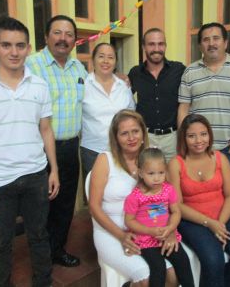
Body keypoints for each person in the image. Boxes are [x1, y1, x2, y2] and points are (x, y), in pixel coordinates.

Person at [0, 16, 59, 287]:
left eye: (20, 45)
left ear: (29, 48)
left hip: (36, 174)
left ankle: (44, 282)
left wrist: (54, 171)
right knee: (2, 242)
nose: (14, 52)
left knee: (39, 235)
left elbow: (46, 130)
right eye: (6, 45)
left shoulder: (39, 84)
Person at [89, 109, 180, 287]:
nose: (131, 138)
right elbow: (94, 207)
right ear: (115, 137)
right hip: (111, 231)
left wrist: (170, 230)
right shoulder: (105, 160)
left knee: (173, 276)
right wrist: (121, 236)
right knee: (146, 278)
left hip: (148, 231)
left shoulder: (152, 157)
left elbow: (167, 198)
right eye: (124, 133)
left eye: (135, 131)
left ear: (143, 132)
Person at [26, 15, 87, 267]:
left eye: (69, 34)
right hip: (39, 149)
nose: (63, 39)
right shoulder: (31, 65)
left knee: (64, 204)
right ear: (46, 37)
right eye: (57, 33)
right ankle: (40, 261)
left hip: (70, 147)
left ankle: (56, 250)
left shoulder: (79, 69)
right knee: (40, 207)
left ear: (75, 40)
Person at [177, 22, 230, 225]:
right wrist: (185, 142)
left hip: (229, 149)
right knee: (195, 202)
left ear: (226, 42)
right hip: (197, 150)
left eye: (216, 38)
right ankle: (210, 245)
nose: (211, 43)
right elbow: (184, 108)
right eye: (206, 39)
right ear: (200, 45)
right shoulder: (190, 72)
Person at [168, 114, 230, 287]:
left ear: (209, 136)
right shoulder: (176, 164)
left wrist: (219, 224)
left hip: (223, 216)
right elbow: (177, 205)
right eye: (191, 136)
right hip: (192, 220)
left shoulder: (220, 158)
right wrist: (209, 223)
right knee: (213, 260)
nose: (198, 140)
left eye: (203, 134)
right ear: (184, 139)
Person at [124, 147, 194, 287]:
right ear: (141, 173)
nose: (157, 178)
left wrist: (170, 228)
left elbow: (175, 212)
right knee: (158, 267)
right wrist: (150, 231)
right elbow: (129, 221)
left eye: (161, 173)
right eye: (151, 173)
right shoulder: (135, 197)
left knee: (183, 261)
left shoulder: (168, 190)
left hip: (167, 235)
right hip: (146, 240)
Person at [80, 42, 135, 181]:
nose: (106, 61)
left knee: (121, 193)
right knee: (96, 195)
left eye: (110, 57)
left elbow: (131, 116)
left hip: (121, 150)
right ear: (93, 60)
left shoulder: (123, 86)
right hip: (93, 151)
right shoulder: (83, 86)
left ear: (115, 62)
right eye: (101, 56)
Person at [129, 28, 185, 161]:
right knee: (147, 178)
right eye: (151, 44)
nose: (156, 48)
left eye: (160, 44)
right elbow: (120, 94)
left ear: (165, 46)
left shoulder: (179, 70)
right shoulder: (135, 73)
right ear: (144, 47)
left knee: (173, 178)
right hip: (146, 138)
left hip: (173, 139)